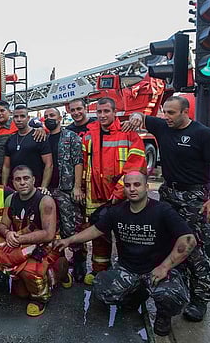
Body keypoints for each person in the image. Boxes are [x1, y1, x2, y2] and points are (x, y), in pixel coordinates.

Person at [54, 172, 196, 336]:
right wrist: (68, 240)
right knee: (102, 290)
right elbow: (95, 230)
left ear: (146, 187)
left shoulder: (162, 210)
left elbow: (188, 240)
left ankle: (163, 316)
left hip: (156, 271)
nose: (132, 189)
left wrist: (165, 267)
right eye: (128, 185)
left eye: (137, 184)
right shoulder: (117, 212)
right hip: (129, 269)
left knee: (171, 296)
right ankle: (136, 294)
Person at [125, 95, 210, 322]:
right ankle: (180, 291)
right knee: (169, 244)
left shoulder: (204, 134)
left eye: (171, 113)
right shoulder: (162, 126)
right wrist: (137, 116)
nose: (165, 117)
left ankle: (200, 300)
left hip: (195, 196)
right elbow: (143, 118)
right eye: (164, 112)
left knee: (193, 249)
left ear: (185, 113)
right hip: (168, 193)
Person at [82, 97, 146, 284]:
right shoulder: (88, 135)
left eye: (106, 111)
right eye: (99, 112)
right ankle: (99, 271)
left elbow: (135, 167)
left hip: (123, 197)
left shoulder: (128, 134)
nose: (102, 115)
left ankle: (127, 272)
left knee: (125, 235)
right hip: (95, 194)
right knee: (99, 235)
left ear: (114, 112)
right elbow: (85, 165)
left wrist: (118, 194)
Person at [0, 165, 69, 317]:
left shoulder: (45, 201)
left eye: (26, 178)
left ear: (34, 180)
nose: (22, 182)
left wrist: (19, 239)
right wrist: (8, 233)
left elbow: (48, 234)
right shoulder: (11, 199)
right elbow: (2, 225)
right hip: (20, 242)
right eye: (18, 179)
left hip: (45, 246)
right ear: (13, 183)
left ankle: (44, 294)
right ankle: (35, 280)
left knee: (30, 271)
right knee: (20, 294)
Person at [43, 107, 86, 283]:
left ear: (60, 118)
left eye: (52, 116)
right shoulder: (42, 137)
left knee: (71, 228)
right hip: (48, 190)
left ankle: (79, 262)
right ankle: (58, 263)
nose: (48, 119)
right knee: (52, 229)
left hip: (66, 190)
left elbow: (78, 162)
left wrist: (77, 187)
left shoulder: (71, 137)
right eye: (46, 117)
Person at [0, 100, 46, 184]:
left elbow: (31, 130)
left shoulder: (17, 125)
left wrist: (41, 129)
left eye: (2, 110)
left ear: (9, 112)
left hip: (13, 175)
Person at [2, 105, 52, 189]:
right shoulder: (10, 139)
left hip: (35, 187)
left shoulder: (39, 136)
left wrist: (43, 187)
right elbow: (6, 166)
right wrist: (4, 187)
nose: (19, 119)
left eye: (22, 116)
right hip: (15, 188)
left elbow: (49, 164)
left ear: (28, 118)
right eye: (16, 117)